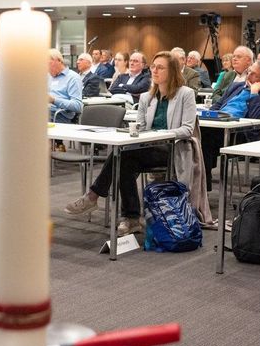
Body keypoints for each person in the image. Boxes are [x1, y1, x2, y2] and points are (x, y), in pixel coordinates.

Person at [65, 51, 210, 234]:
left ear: (172, 71)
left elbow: (187, 129)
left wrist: (161, 134)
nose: (155, 71)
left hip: (173, 149)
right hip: (146, 149)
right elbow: (140, 126)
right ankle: (131, 218)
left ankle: (95, 197)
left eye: (160, 67)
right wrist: (134, 131)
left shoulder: (185, 94)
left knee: (124, 155)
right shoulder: (146, 97)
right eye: (153, 67)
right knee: (123, 160)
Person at [201, 59, 260, 190]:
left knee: (203, 140)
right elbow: (217, 106)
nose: (248, 75)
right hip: (218, 125)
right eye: (248, 71)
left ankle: (202, 187)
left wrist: (254, 94)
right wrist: (212, 116)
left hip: (238, 134)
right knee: (195, 136)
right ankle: (195, 184)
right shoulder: (236, 86)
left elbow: (259, 117)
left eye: (253, 73)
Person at [48, 49, 83, 123]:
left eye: (48, 64)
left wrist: (54, 100)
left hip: (58, 116)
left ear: (58, 61)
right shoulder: (48, 76)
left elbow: (78, 106)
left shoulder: (73, 77)